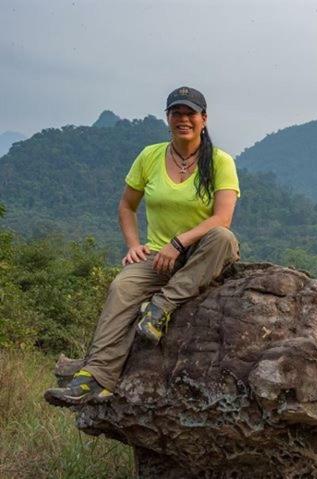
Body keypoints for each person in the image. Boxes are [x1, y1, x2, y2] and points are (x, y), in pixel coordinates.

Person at [46, 86, 240, 404]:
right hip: (157, 257)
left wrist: (178, 243)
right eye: (176, 112)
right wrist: (134, 244)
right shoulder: (149, 156)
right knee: (122, 286)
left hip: (201, 254)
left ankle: (161, 307)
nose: (183, 119)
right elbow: (126, 206)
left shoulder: (220, 162)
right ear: (167, 118)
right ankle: (96, 379)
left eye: (190, 113)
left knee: (223, 238)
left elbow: (223, 218)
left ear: (204, 119)